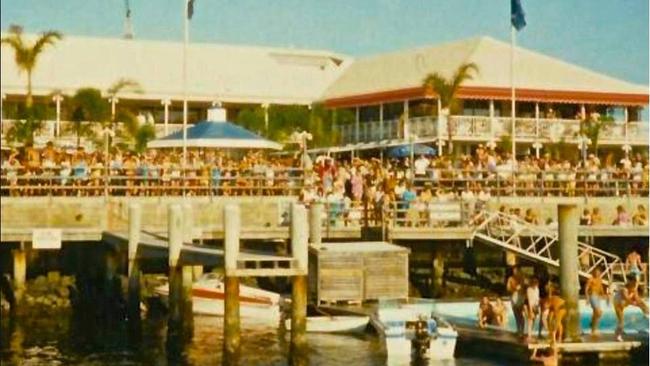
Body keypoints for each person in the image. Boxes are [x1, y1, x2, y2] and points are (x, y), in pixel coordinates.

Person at [584, 268, 607, 336]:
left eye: (598, 272)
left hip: (597, 297)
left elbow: (600, 287)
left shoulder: (600, 279)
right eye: (596, 272)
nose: (597, 273)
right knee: (599, 312)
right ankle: (592, 325)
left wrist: (603, 294)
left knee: (595, 313)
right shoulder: (591, 279)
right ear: (594, 273)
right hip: (592, 296)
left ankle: (593, 329)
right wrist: (587, 298)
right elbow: (586, 288)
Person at [507, 266, 526, 336]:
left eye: (516, 270)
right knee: (516, 314)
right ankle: (518, 330)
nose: (514, 272)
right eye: (513, 270)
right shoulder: (510, 279)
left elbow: (524, 288)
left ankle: (522, 330)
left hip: (521, 297)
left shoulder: (522, 278)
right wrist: (514, 288)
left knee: (521, 314)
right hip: (514, 296)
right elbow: (508, 288)